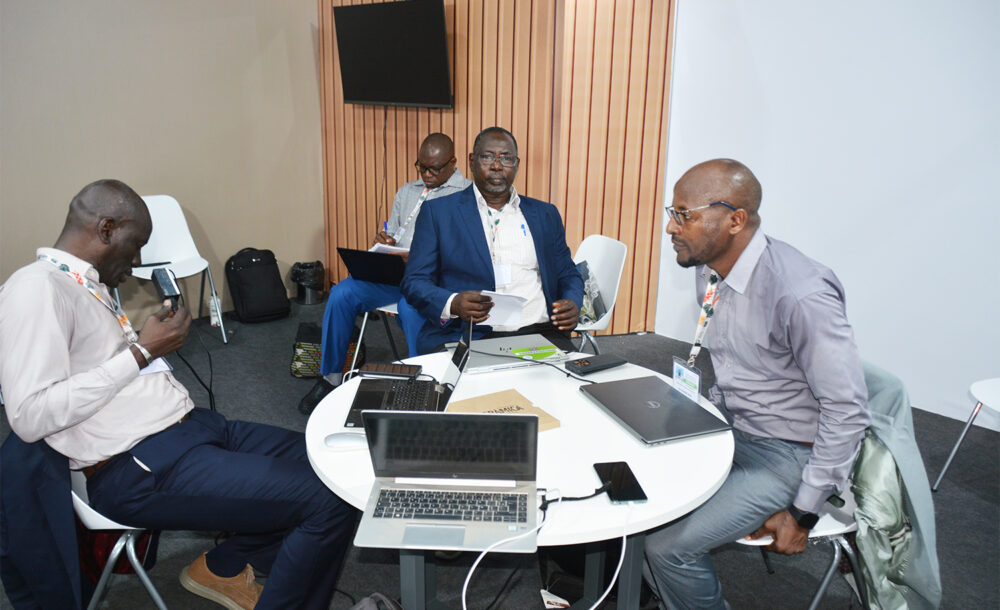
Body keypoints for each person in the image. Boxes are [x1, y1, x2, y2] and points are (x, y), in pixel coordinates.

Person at [0, 180, 356, 609]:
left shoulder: (82, 282)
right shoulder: (36, 288)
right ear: (106, 229)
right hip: (137, 467)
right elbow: (29, 414)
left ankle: (223, 566)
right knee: (326, 501)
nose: (137, 261)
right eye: (136, 246)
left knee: (338, 469)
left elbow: (98, 369)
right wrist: (141, 352)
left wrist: (144, 348)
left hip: (188, 430)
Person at [643, 159, 871, 608]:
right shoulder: (708, 268)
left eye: (684, 215)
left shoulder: (800, 292)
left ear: (735, 220)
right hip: (733, 423)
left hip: (789, 452)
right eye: (673, 212)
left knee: (667, 549)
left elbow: (847, 412)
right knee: (634, 496)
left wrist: (802, 512)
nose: (671, 227)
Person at [298, 132, 471, 414]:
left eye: (435, 169)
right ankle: (330, 377)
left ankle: (423, 386)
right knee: (342, 293)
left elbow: (465, 253)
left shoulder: (466, 195)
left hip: (434, 280)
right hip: (397, 273)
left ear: (452, 163)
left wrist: (418, 258)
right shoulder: (407, 191)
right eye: (422, 167)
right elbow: (394, 231)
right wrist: (385, 241)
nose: (427, 175)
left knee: (409, 307)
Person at [401, 126, 583, 354]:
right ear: (471, 161)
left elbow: (568, 273)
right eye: (487, 157)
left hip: (540, 332)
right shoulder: (438, 213)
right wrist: (453, 303)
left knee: (571, 377)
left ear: (516, 164)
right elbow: (414, 281)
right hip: (471, 334)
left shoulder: (545, 214)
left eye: (506, 158)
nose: (497, 166)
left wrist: (573, 302)